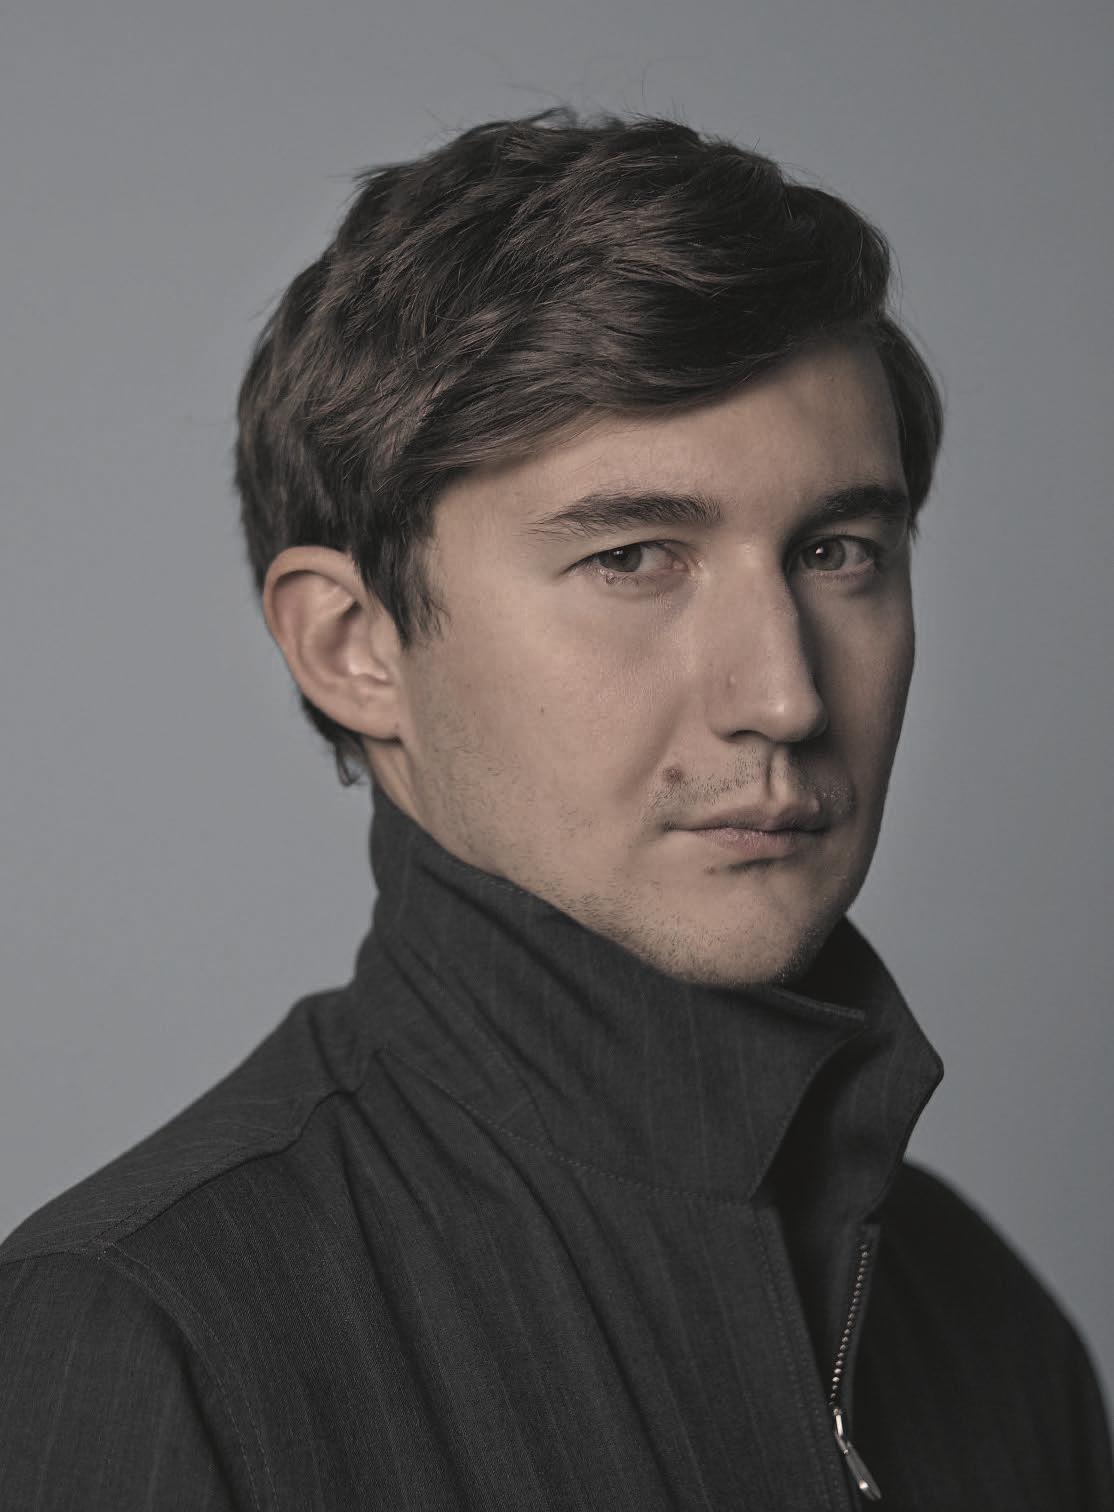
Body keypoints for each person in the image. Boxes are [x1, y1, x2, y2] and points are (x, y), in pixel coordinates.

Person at [0, 109, 1110, 1511]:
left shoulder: (979, 1320)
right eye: (634, 557)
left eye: (837, 552)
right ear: (353, 645)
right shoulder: (143, 1335)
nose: (782, 697)